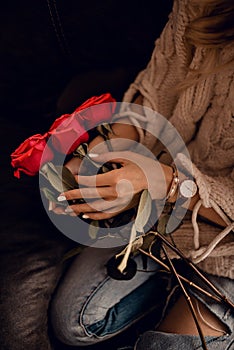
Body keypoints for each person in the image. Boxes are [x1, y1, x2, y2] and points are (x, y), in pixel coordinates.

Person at [50, 0, 234, 349]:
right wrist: (102, 165)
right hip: (165, 206)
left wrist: (163, 180)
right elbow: (150, 100)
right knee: (75, 322)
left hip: (228, 242)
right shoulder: (200, 5)